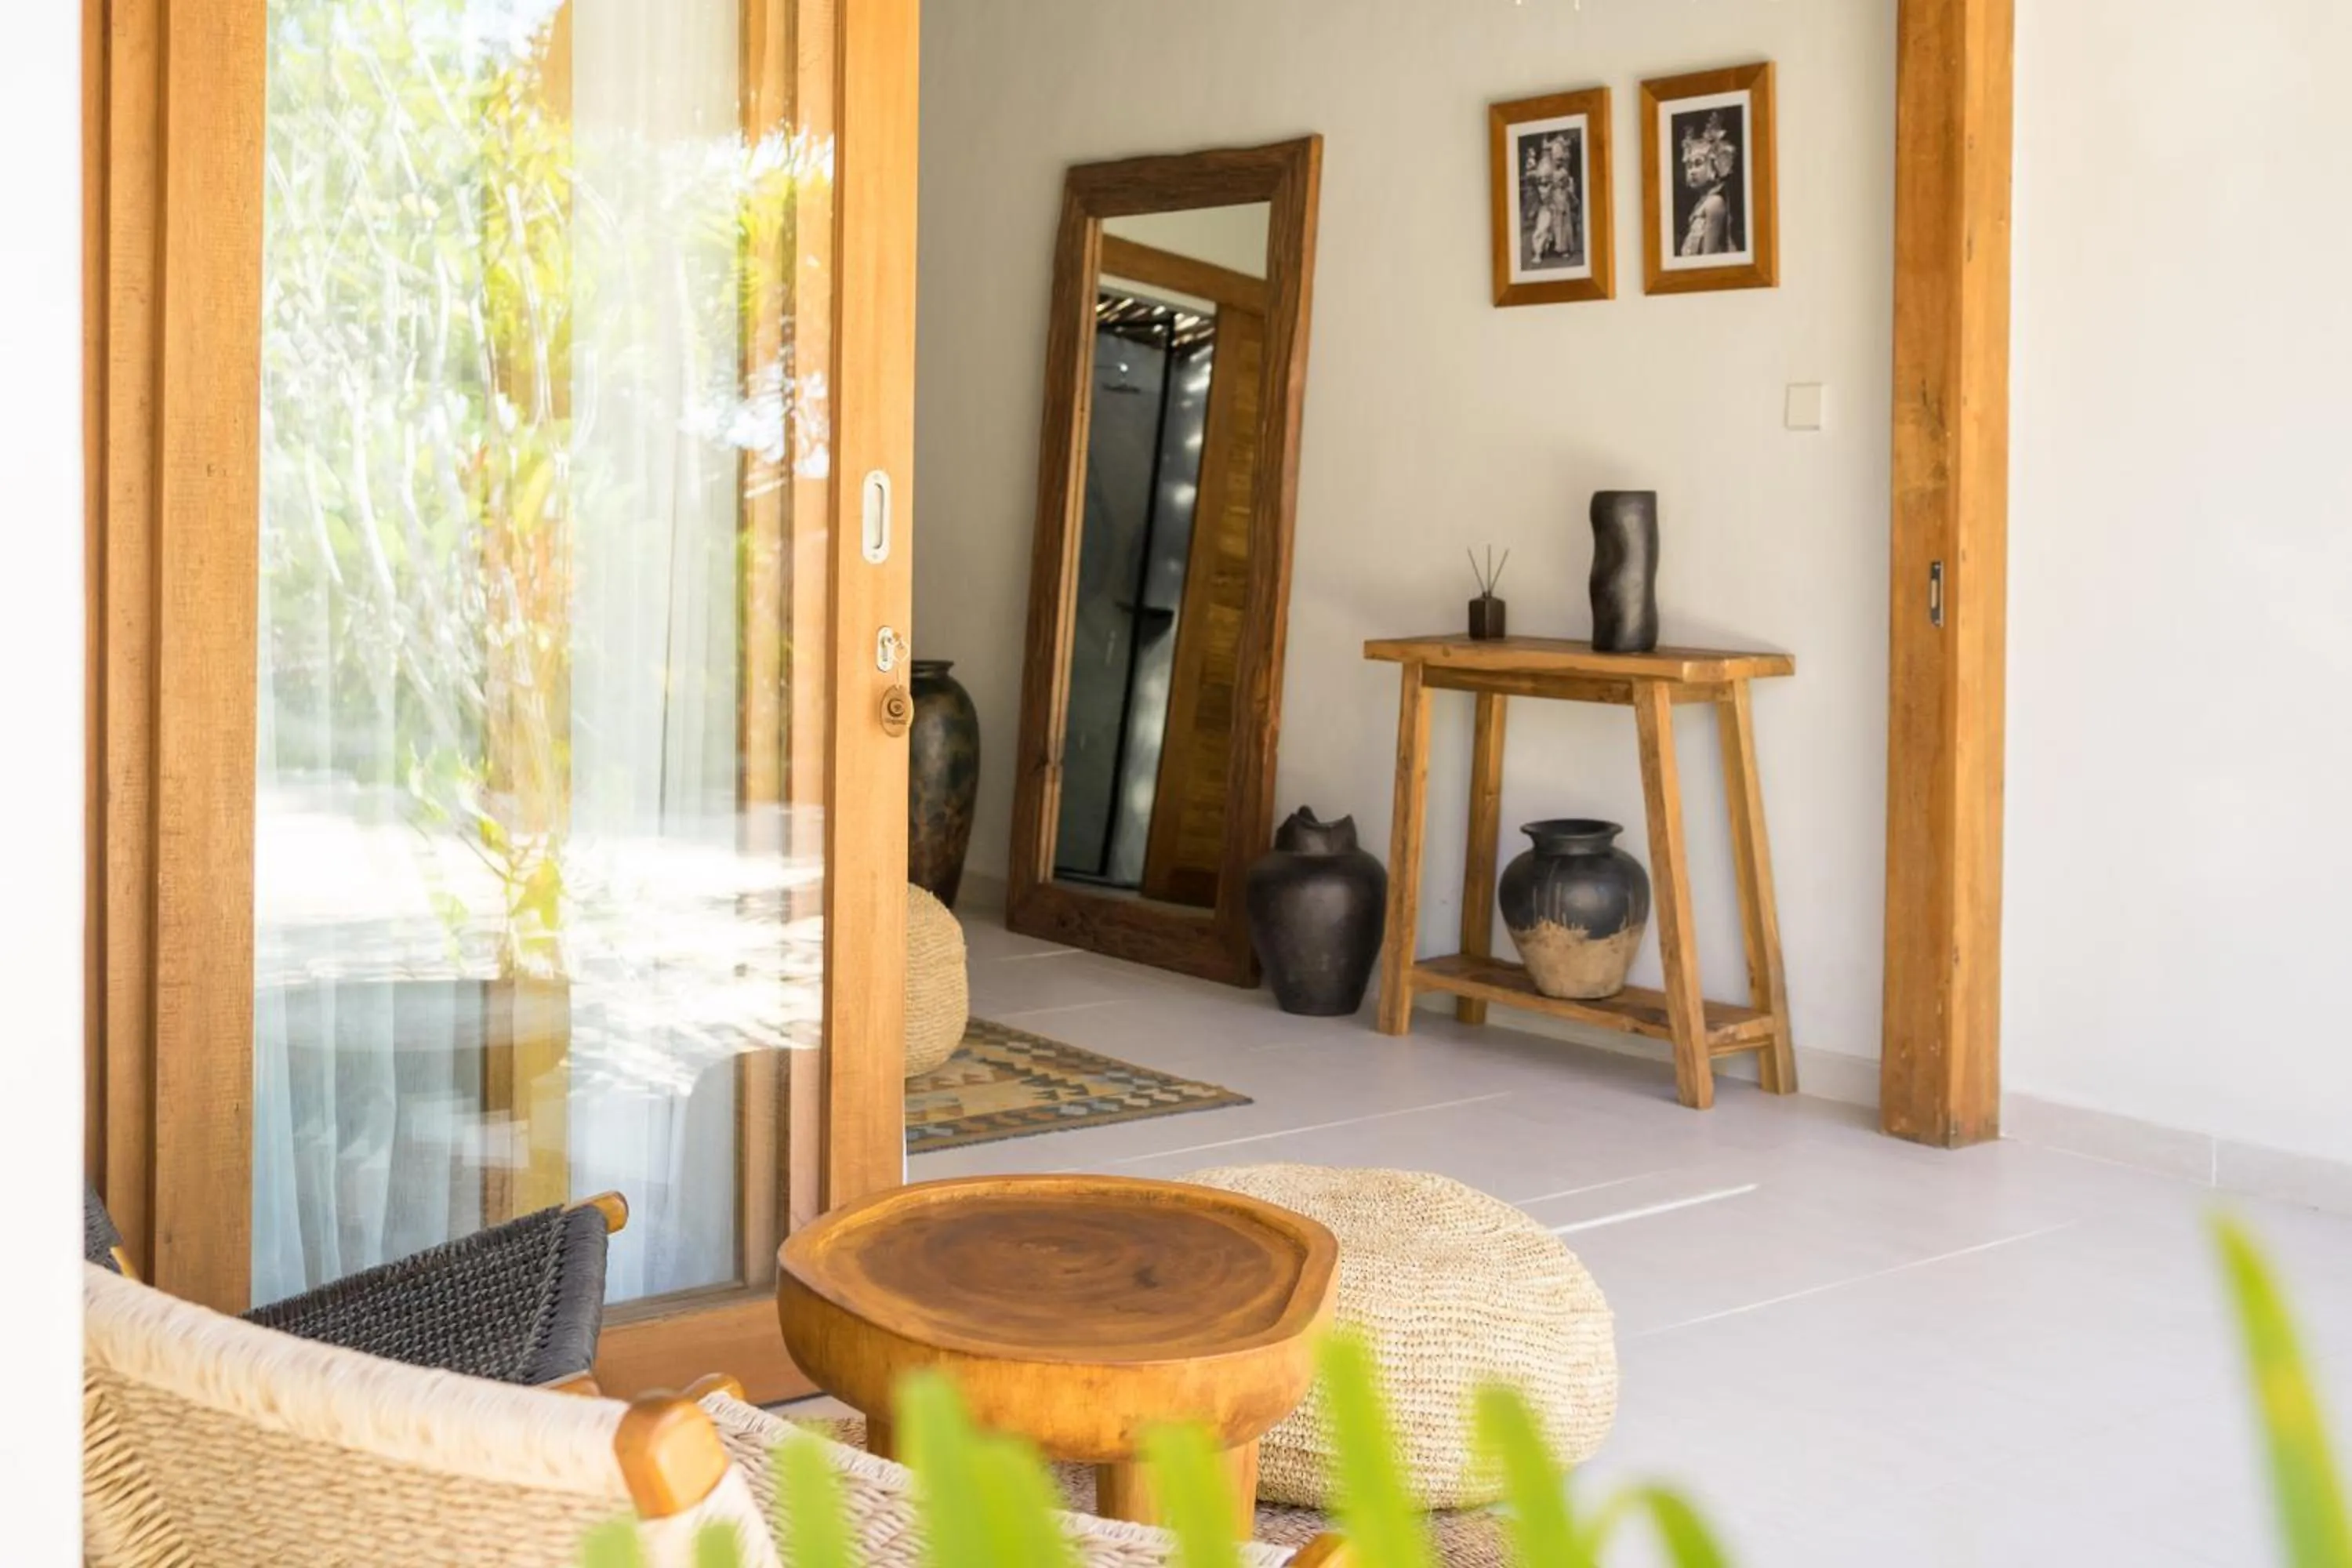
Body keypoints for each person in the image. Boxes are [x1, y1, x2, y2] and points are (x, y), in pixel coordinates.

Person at [1678, 111, 1740, 256]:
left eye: (1698, 164)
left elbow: (1708, 257)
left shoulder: (1715, 203)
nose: (1692, 171)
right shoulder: (1701, 204)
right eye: (1690, 166)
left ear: (1714, 164)